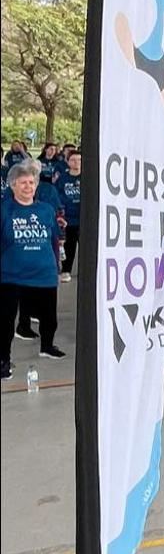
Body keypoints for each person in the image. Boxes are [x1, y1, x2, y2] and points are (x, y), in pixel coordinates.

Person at [2, 159, 66, 381]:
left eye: (31, 182)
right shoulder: (5, 210)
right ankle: (3, 360)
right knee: (6, 321)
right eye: (23, 183)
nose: (28, 187)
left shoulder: (46, 210)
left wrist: (57, 266)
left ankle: (47, 346)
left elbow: (53, 240)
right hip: (11, 275)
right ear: (13, 185)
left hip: (44, 274)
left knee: (50, 317)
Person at [54, 151, 83, 281]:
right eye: (73, 160)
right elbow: (57, 194)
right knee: (69, 246)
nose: (76, 162)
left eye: (79, 160)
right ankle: (66, 271)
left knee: (87, 247)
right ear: (68, 161)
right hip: (69, 219)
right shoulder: (63, 178)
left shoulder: (88, 177)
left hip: (84, 218)